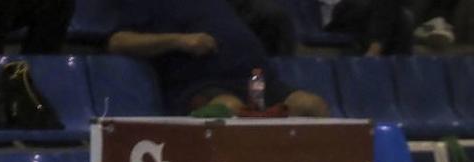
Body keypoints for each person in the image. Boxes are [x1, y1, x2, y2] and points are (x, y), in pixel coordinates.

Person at [108, 0, 329, 117]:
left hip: (256, 79)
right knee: (228, 109)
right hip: (203, 84)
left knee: (311, 105)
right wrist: (180, 41)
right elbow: (118, 41)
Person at [320, 0, 414, 56]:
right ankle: (374, 49)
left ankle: (396, 80)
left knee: (404, 17)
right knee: (402, 18)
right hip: (338, 9)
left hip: (375, 9)